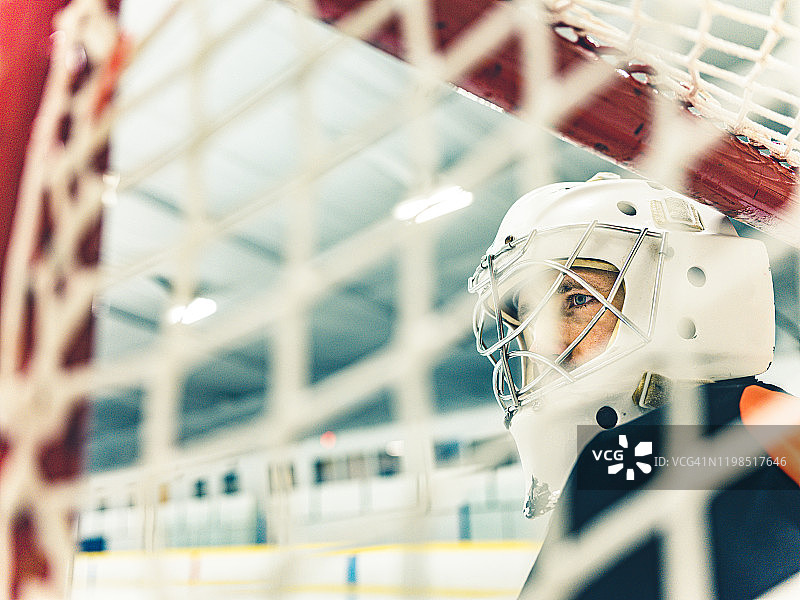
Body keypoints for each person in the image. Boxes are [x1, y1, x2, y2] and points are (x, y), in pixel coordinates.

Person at [468, 173, 800, 599]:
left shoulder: (631, 454)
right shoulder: (757, 420)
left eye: (578, 300)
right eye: (532, 314)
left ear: (690, 292)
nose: (545, 344)